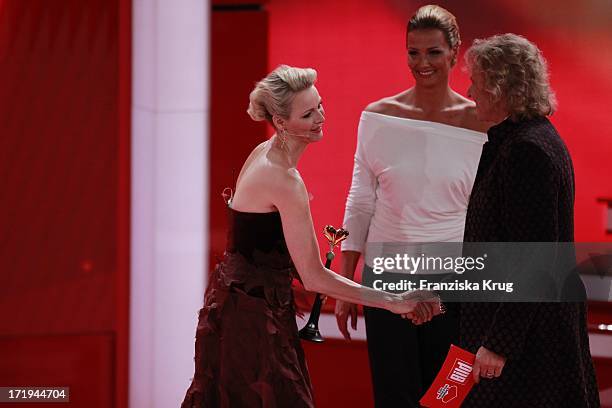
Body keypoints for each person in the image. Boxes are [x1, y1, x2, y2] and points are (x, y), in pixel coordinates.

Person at [180, 65, 442, 408]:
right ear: (281, 121)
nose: (320, 117)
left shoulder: (268, 153)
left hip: (246, 305)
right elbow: (314, 276)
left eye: (320, 105)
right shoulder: (283, 178)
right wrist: (396, 301)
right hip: (250, 317)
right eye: (308, 113)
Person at [335, 5, 490, 407]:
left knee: (448, 398)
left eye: (433, 52)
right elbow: (360, 200)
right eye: (413, 52)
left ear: (454, 53)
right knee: (395, 397)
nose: (422, 63)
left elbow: (487, 214)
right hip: (387, 279)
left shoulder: (482, 123)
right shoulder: (378, 117)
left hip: (452, 281)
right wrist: (347, 285)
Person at [460, 33, 600, 407]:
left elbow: (535, 263)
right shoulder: (527, 139)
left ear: (500, 86)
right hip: (525, 330)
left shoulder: (526, 150)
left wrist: (498, 345)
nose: (470, 90)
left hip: (528, 343)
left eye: (476, 80)